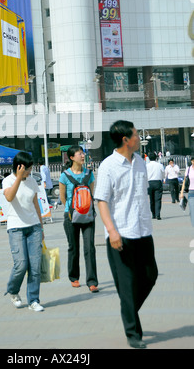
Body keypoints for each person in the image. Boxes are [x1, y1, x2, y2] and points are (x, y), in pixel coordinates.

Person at [95, 120, 158, 349]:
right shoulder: (108, 166)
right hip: (120, 234)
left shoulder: (141, 162)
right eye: (136, 134)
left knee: (150, 276)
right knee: (127, 284)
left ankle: (128, 309)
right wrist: (112, 231)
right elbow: (102, 201)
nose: (139, 138)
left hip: (143, 231)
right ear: (125, 140)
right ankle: (133, 333)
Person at [2, 151, 44, 312]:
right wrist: (19, 178)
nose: (29, 172)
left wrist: (41, 227)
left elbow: (36, 205)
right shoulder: (8, 181)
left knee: (35, 266)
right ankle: (13, 291)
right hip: (16, 227)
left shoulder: (32, 181)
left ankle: (33, 300)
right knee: (21, 264)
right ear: (19, 167)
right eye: (27, 169)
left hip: (33, 226)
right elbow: (9, 198)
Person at [59, 146, 99, 293]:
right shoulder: (64, 176)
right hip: (71, 216)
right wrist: (71, 209)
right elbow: (62, 196)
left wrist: (83, 207)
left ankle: (92, 281)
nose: (83, 156)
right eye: (79, 154)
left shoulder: (89, 174)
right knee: (73, 248)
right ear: (71, 158)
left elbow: (91, 192)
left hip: (88, 215)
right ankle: (74, 277)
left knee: (90, 248)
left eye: (83, 153)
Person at [146, 152, 164, 220]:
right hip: (157, 182)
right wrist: (161, 179)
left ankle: (153, 214)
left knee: (151, 199)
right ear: (156, 158)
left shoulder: (147, 165)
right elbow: (163, 174)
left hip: (149, 183)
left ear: (149, 158)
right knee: (158, 199)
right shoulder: (160, 165)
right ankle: (158, 214)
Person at [180, 156, 194, 227]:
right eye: (193, 161)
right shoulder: (188, 169)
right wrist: (181, 192)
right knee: (192, 212)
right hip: (191, 192)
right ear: (191, 161)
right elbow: (184, 181)